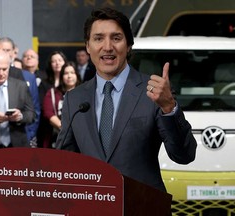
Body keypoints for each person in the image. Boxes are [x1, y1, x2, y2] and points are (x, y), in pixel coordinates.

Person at [56, 7, 197, 192]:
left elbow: (184, 155)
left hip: (143, 206)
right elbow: (64, 163)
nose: (107, 47)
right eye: (98, 38)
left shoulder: (154, 92)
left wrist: (169, 107)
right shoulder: (75, 99)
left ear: (129, 45)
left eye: (116, 38)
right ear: (88, 46)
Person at [0, 38, 40, 146]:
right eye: (2, 50)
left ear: (14, 52)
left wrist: (30, 133)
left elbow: (34, 108)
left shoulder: (28, 77)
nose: (5, 53)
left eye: (8, 50)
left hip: (23, 134)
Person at [42, 61, 81, 148]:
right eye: (66, 73)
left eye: (72, 73)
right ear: (61, 76)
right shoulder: (53, 93)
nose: (69, 76)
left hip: (80, 137)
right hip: (58, 137)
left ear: (77, 75)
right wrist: (65, 129)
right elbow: (48, 113)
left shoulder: (85, 92)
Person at [37, 50, 67, 147]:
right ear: (50, 64)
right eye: (54, 61)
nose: (57, 63)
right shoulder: (44, 83)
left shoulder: (69, 80)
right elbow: (41, 105)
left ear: (64, 62)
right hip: (48, 127)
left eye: (60, 60)